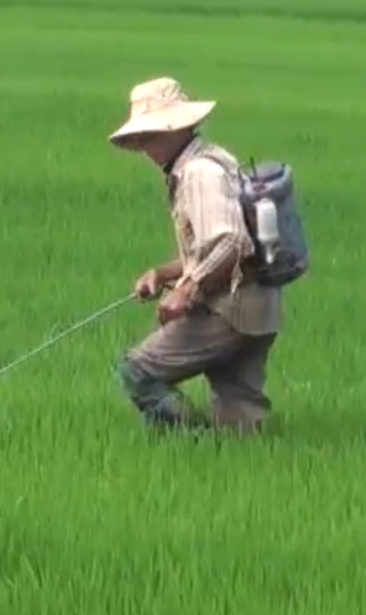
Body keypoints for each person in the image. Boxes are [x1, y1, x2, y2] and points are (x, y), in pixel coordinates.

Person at [107, 77, 281, 432]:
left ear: (177, 128)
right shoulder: (207, 160)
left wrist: (186, 289)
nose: (144, 146)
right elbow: (211, 246)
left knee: (138, 370)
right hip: (258, 307)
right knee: (239, 424)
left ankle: (192, 443)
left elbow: (233, 242)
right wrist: (163, 274)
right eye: (141, 137)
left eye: (150, 135)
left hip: (229, 309)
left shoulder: (200, 172)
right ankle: (226, 463)